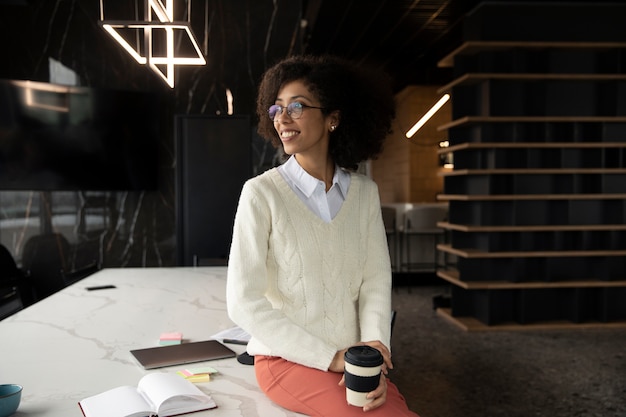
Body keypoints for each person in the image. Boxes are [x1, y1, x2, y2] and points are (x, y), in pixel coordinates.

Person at [226, 54, 419, 417]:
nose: (282, 118)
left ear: (333, 118)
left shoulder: (364, 192)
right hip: (287, 360)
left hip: (354, 361)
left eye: (297, 107)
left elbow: (375, 281)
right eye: (276, 109)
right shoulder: (261, 193)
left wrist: (373, 352)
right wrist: (330, 357)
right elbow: (242, 301)